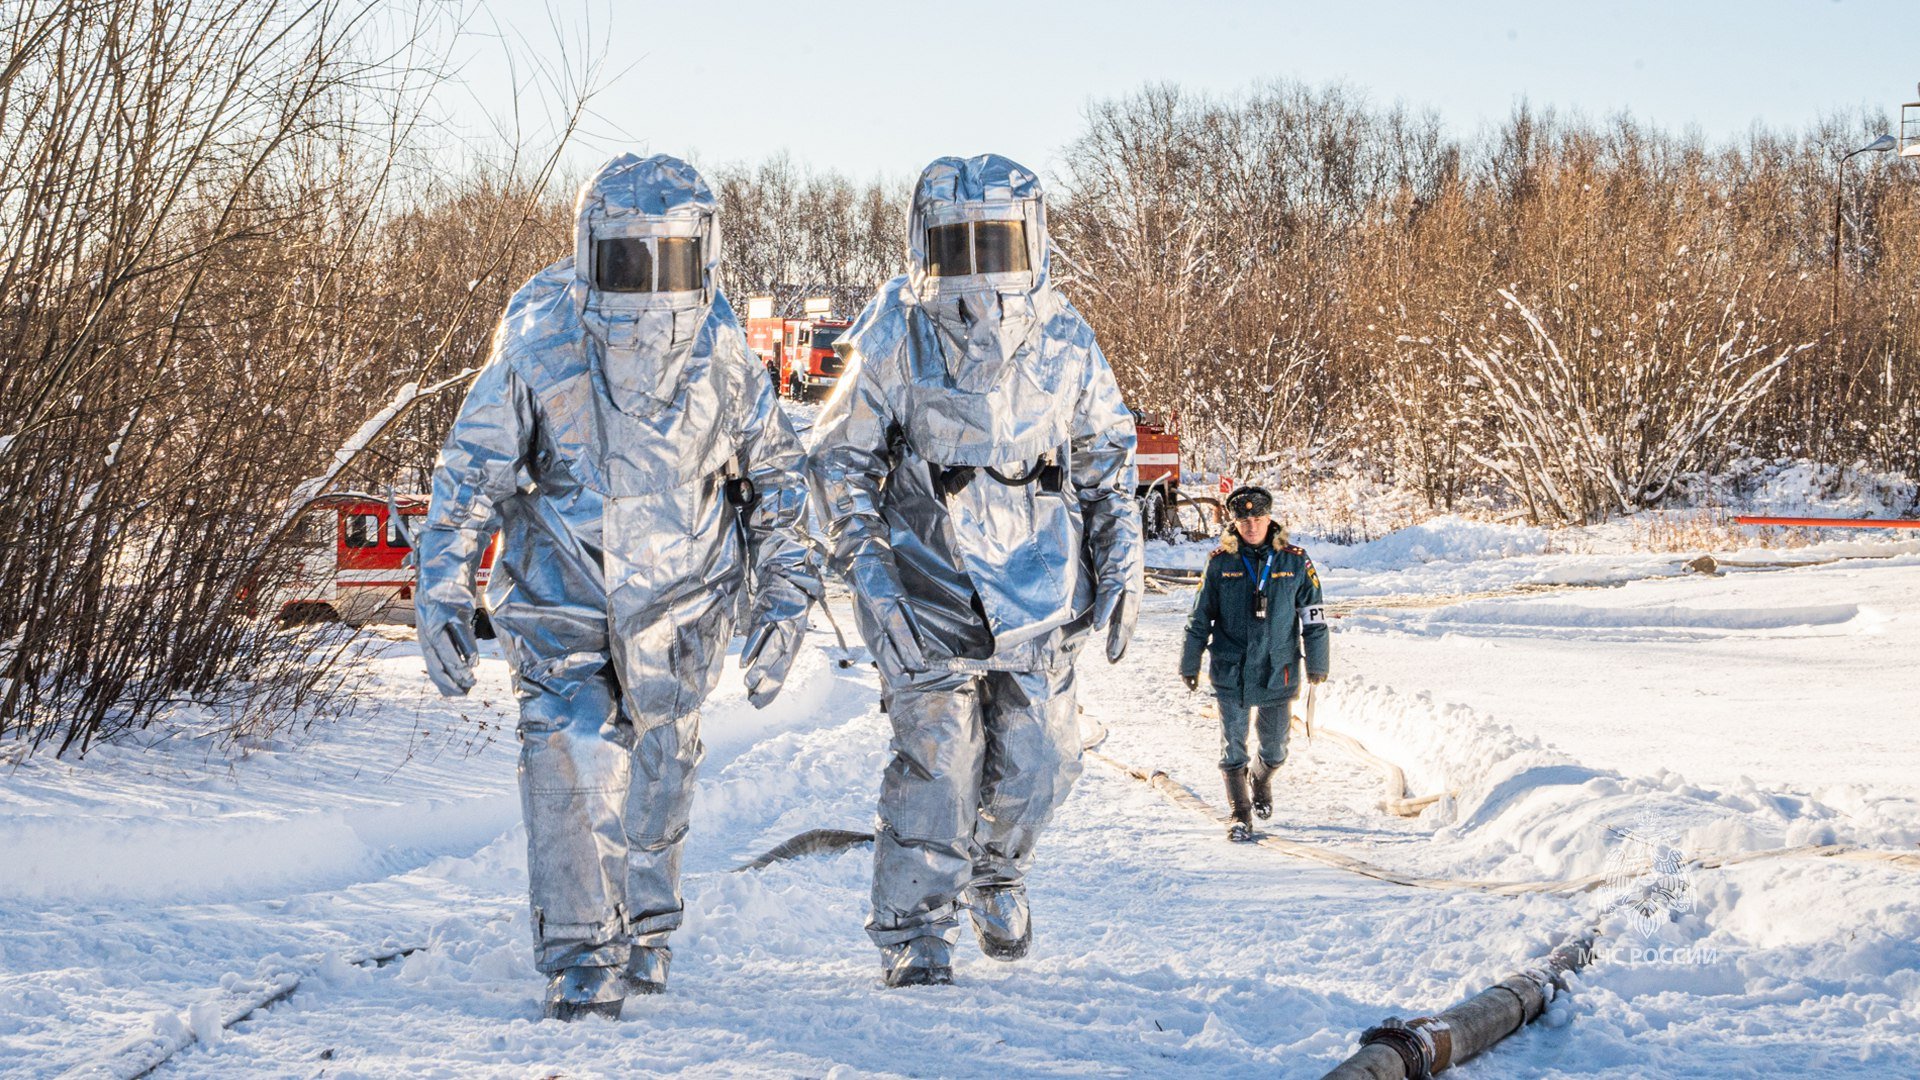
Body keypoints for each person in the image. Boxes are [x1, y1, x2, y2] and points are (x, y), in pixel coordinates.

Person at [414, 153, 819, 1020]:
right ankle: (581, 954)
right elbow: (469, 472)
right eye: (626, 259)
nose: (646, 286)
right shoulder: (537, 345)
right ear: (589, 250)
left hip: (683, 605)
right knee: (568, 757)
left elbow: (777, 483)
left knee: (659, 771)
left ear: (703, 256)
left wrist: (787, 598)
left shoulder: (723, 355)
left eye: (667, 259)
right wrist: (441, 583)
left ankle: (647, 925)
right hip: (564, 595)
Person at [808, 153, 1143, 988]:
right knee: (941, 767)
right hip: (928, 589)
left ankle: (997, 869)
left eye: (996, 244)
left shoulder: (1064, 336)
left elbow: (1106, 450)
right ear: (926, 244)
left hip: (1039, 587)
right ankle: (916, 926)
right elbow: (838, 463)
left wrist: (1121, 559)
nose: (981, 269)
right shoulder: (894, 334)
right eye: (959, 245)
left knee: (1043, 760)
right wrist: (875, 584)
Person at [1179, 485, 1329, 842]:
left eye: (1258, 518)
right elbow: (1199, 617)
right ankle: (1239, 813)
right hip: (1231, 668)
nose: (1251, 526)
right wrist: (1189, 661)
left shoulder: (1295, 560)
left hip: (1279, 668)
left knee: (1275, 747)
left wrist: (1318, 663)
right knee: (1233, 746)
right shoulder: (1220, 562)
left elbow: (1314, 617)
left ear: (1269, 519)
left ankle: (1261, 778)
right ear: (1234, 522)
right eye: (1244, 519)